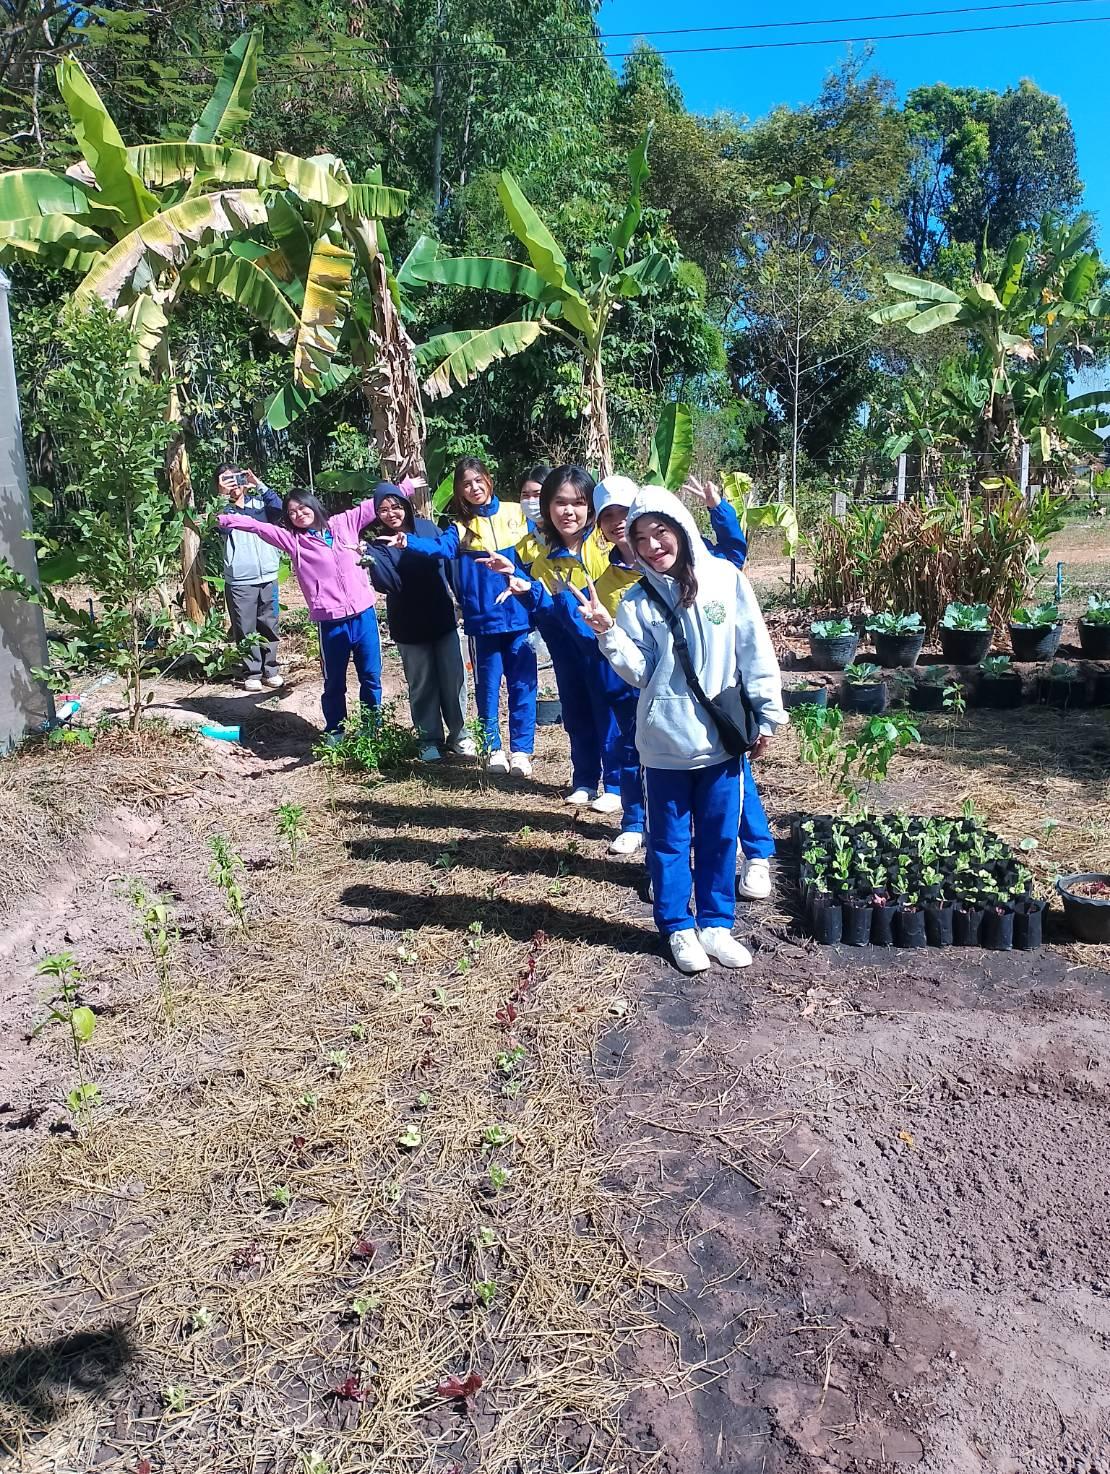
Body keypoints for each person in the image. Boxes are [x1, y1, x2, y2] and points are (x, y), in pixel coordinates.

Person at [573, 487, 786, 975]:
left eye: (661, 531)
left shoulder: (725, 580)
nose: (652, 546)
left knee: (719, 837)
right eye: (640, 538)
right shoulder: (636, 600)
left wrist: (768, 714)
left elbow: (753, 648)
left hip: (719, 741)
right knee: (668, 842)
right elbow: (641, 672)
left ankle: (716, 925)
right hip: (665, 744)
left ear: (683, 529)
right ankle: (677, 927)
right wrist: (608, 632)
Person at [485, 465, 627, 815]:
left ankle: (615, 784)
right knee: (576, 713)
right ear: (547, 506)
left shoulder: (603, 542)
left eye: (578, 503)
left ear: (590, 507)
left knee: (608, 714)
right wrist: (518, 582)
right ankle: (584, 780)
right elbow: (536, 595)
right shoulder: (537, 548)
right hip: (564, 646)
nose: (569, 511)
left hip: (604, 645)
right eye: (560, 502)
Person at [405, 457, 536, 775]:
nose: (474, 488)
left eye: (478, 480)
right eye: (466, 484)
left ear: (489, 479)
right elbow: (438, 548)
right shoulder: (461, 528)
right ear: (460, 491)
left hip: (520, 616)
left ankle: (521, 750)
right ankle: (493, 749)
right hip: (483, 621)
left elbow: (540, 552)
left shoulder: (517, 513)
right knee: (487, 688)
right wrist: (406, 540)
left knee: (522, 685)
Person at [217, 489, 384, 737]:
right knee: (334, 681)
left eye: (302, 507)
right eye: (292, 512)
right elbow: (257, 527)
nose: (299, 514)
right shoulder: (293, 541)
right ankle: (335, 730)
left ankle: (372, 730)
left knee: (370, 675)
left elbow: (374, 504)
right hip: (330, 621)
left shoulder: (343, 523)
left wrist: (406, 487)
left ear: (313, 505)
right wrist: (221, 519)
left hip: (364, 615)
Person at [361, 482, 474, 761]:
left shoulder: (427, 529)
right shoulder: (379, 544)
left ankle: (459, 735)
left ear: (406, 506)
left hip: (442, 617)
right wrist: (371, 561)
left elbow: (449, 562)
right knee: (422, 683)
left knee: (454, 679)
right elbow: (388, 584)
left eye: (396, 506)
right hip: (408, 624)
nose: (391, 514)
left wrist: (462, 600)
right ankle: (428, 739)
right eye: (383, 510)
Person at [215, 464, 284, 691]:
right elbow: (220, 527)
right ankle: (252, 672)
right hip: (240, 580)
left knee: (269, 623)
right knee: (245, 628)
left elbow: (279, 509)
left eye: (235, 478)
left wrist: (258, 484)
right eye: (226, 480)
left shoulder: (260, 505)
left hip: (268, 575)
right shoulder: (222, 510)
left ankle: (270, 669)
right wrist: (222, 497)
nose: (233, 484)